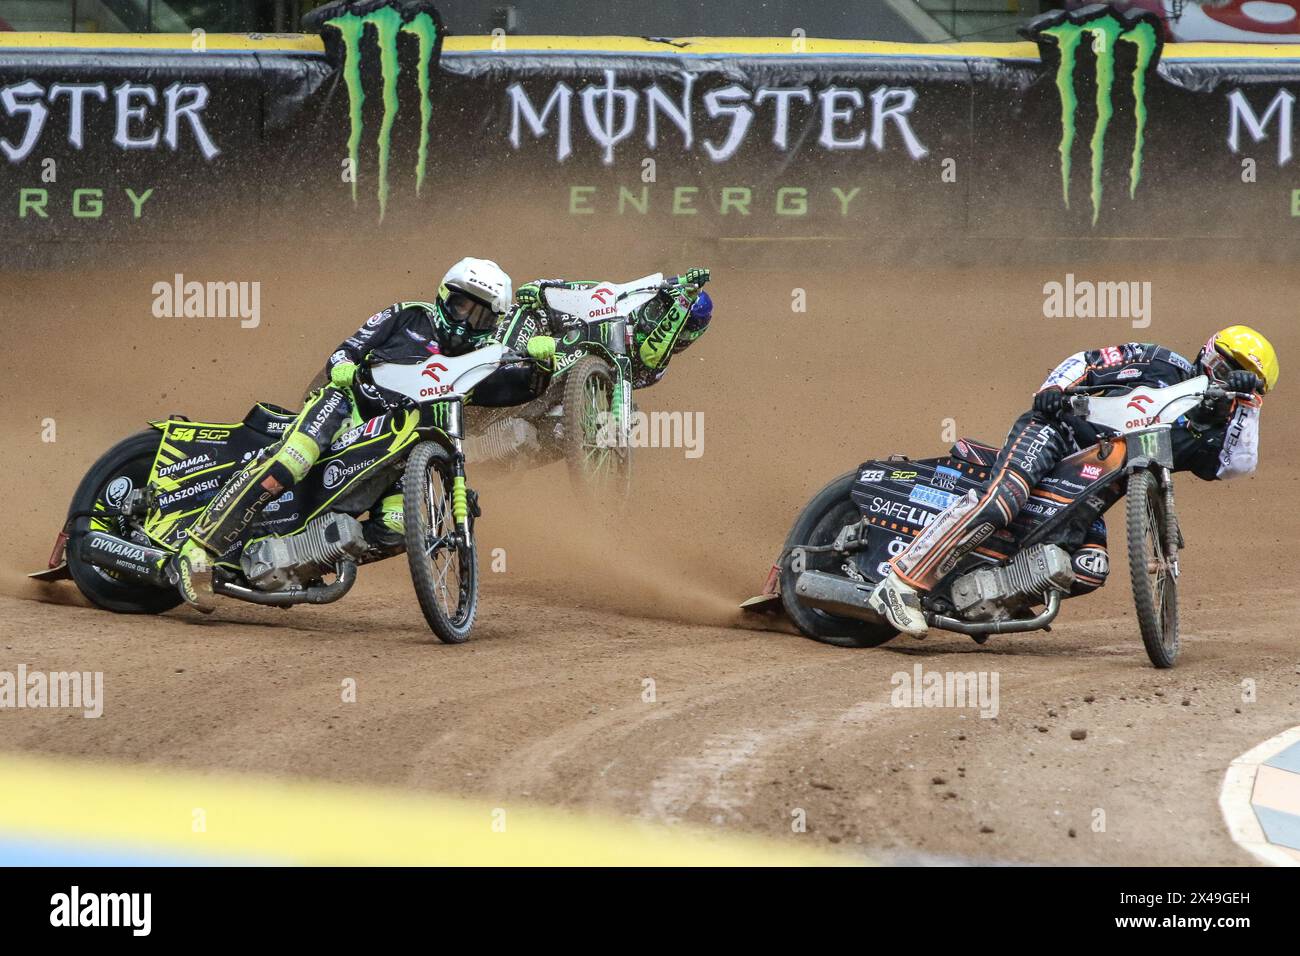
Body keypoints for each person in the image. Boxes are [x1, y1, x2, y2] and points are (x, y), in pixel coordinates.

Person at [171, 257, 557, 611]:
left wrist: (541, 365)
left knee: (397, 528)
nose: (465, 322)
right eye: (461, 306)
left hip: (403, 450)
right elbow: (348, 350)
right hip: (348, 407)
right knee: (294, 459)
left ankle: (302, 559)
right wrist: (342, 369)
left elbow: (516, 388)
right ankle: (198, 548)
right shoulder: (408, 315)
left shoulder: (480, 359)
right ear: (444, 297)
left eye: (480, 318)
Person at [868, 327, 1279, 638]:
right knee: (1002, 502)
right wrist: (1053, 389)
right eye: (1226, 368)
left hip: (1091, 492)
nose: (1226, 378)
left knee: (1089, 569)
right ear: (1208, 352)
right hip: (1055, 432)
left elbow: (1238, 466)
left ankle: (987, 597)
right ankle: (901, 582)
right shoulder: (1159, 361)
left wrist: (1247, 404)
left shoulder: (1211, 433)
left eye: (1241, 378)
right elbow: (1088, 359)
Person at [510, 268, 712, 387]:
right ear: (654, 303)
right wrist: (541, 288)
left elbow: (653, 353)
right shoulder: (621, 303)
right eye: (660, 312)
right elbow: (582, 288)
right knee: (531, 308)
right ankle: (498, 351)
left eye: (683, 331)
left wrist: (685, 302)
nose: (659, 322)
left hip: (561, 383)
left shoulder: (653, 371)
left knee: (629, 416)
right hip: (547, 334)